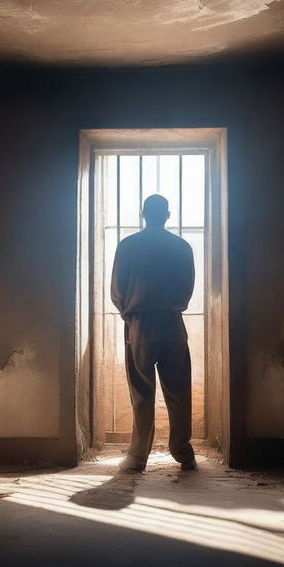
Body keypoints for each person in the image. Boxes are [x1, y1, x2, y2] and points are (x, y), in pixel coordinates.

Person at [111, 194, 196, 472]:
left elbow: (118, 290)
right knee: (179, 393)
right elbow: (187, 290)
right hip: (172, 324)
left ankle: (137, 457)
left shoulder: (127, 246)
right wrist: (172, 306)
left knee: (142, 393)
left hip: (140, 325)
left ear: (142, 213)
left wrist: (129, 312)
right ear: (168, 214)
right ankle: (183, 453)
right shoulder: (182, 247)